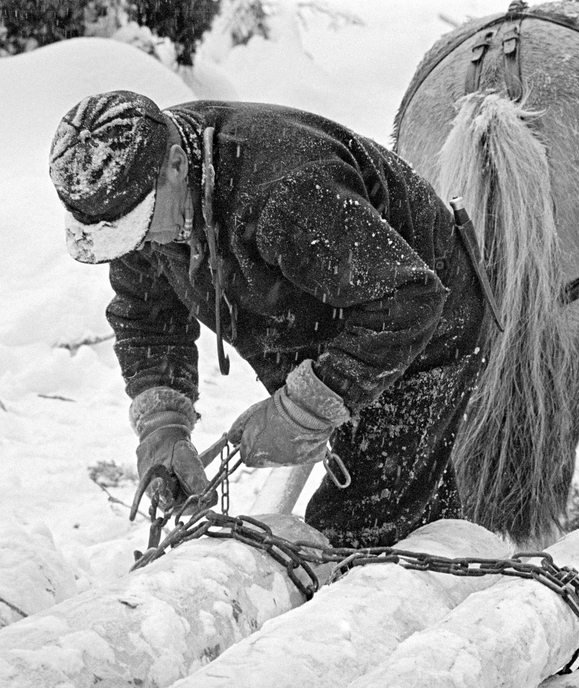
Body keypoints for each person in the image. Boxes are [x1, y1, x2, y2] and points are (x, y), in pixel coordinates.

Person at [48, 90, 488, 549]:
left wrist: (304, 409)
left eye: (138, 225)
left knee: (358, 531)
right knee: (413, 507)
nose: (137, 243)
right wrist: (162, 425)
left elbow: (406, 300)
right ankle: (451, 575)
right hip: (330, 310)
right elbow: (147, 316)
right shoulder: (136, 195)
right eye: (120, 234)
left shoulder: (284, 189)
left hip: (426, 328)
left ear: (176, 166)